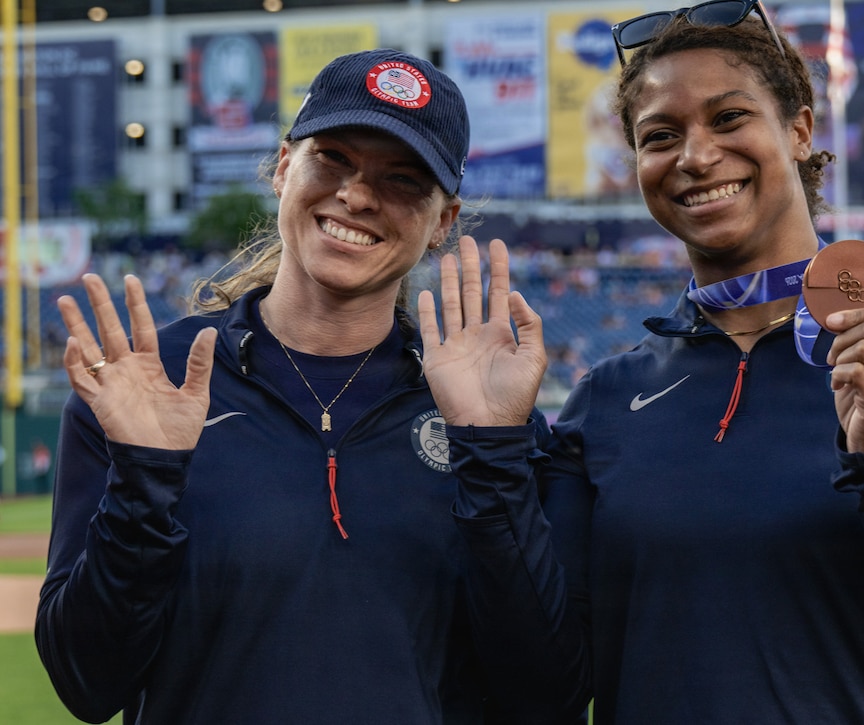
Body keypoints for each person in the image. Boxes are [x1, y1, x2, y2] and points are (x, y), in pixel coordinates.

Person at [420, 5, 864, 724]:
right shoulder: (608, 397)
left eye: (728, 118)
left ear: (799, 130)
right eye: (660, 136)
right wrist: (493, 449)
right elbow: (545, 692)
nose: (694, 155)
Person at [36, 48, 544, 724]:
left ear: (442, 223)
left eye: (402, 178)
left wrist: (493, 456)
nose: (358, 195)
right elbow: (87, 685)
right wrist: (143, 480)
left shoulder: (485, 411)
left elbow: (548, 694)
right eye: (332, 157)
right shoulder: (150, 379)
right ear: (283, 167)